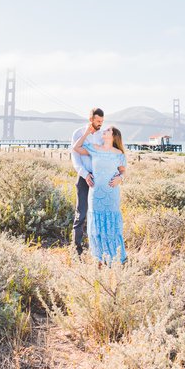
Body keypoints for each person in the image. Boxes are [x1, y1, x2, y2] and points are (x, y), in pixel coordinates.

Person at [72, 125, 127, 264]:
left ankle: (115, 257)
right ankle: (99, 258)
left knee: (112, 225)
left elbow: (123, 171)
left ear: (113, 135)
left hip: (111, 193)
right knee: (97, 225)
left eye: (108, 130)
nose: (104, 130)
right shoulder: (95, 148)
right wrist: (85, 133)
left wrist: (120, 178)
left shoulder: (119, 153)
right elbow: (76, 148)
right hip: (96, 194)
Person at [70, 108, 103, 256]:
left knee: (96, 214)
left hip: (99, 179)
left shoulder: (103, 135)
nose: (100, 124)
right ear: (91, 120)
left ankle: (95, 249)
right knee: (81, 213)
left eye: (102, 121)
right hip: (84, 179)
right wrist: (85, 175)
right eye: (98, 121)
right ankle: (76, 249)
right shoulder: (78, 133)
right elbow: (75, 158)